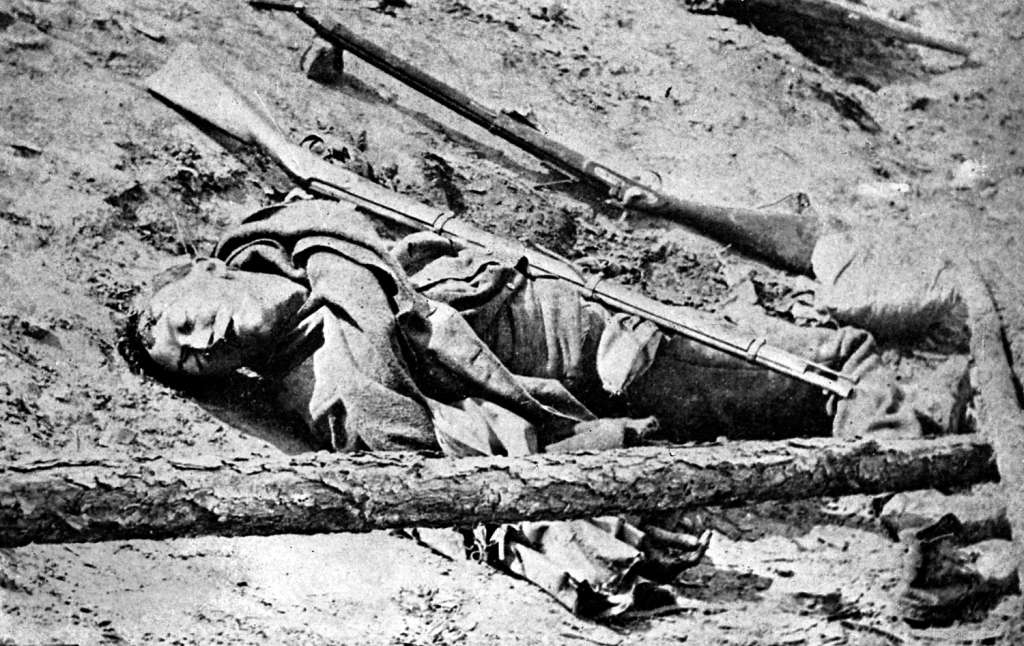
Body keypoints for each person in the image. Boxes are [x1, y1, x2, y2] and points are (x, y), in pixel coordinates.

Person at [121, 198, 933, 617]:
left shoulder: (300, 225)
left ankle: (921, 440)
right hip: (593, 366)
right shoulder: (329, 385)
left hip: (571, 301)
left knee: (815, 370)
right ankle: (925, 514)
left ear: (205, 269)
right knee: (828, 378)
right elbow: (421, 453)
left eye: (183, 320)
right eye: (190, 361)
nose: (203, 343)